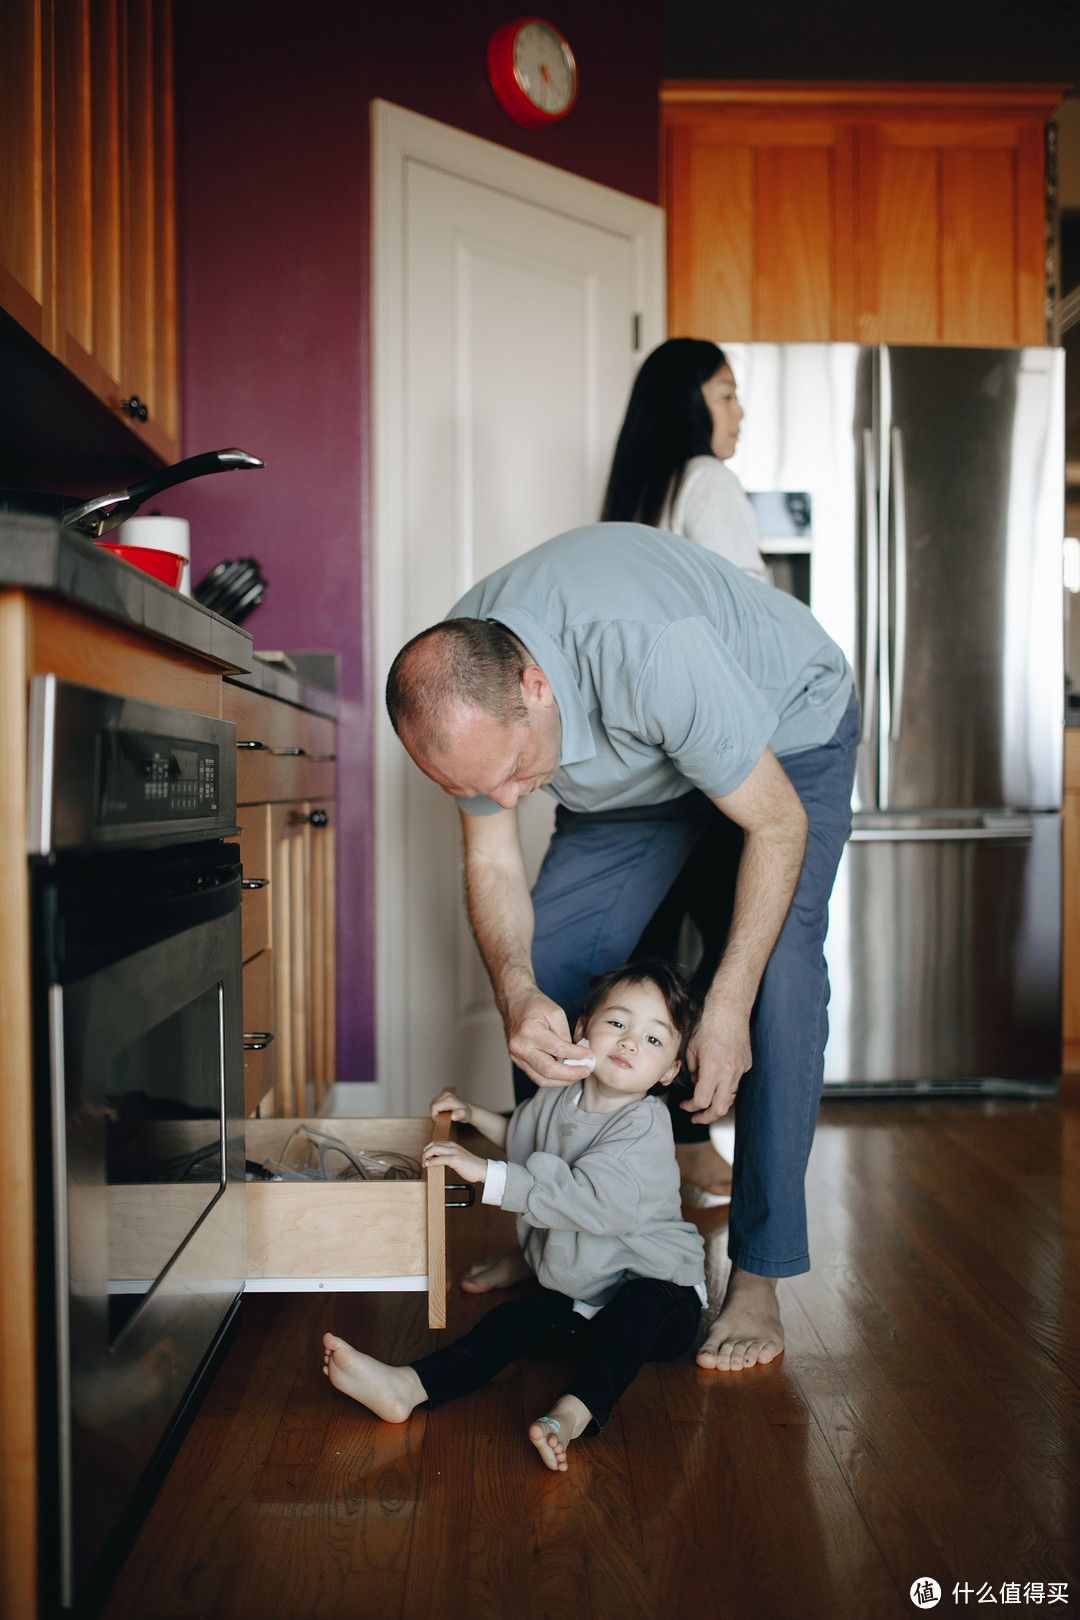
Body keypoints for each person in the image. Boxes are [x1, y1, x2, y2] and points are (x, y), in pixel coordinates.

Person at [385, 523, 858, 1371]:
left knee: (780, 978)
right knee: (558, 964)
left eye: (512, 771)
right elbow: (493, 864)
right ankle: (555, 1243)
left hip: (787, 731)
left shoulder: (647, 652)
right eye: (474, 789)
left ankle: (759, 1271)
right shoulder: (462, 689)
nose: (502, 798)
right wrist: (519, 990)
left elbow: (778, 824)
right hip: (640, 777)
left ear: (535, 687)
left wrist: (727, 1004)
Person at [322, 961, 706, 1471]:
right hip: (589, 1290)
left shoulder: (645, 1129)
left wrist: (486, 1172)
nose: (630, 1042)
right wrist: (474, 1115)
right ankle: (407, 1387)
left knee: (632, 1319)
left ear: (670, 1072)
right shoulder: (558, 1098)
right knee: (509, 1322)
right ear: (579, 1030)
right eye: (617, 1023)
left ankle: (570, 1415)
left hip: (661, 1291)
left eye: (654, 1040)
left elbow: (584, 1198)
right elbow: (526, 1138)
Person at [601, 337, 768, 1196]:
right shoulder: (708, 481)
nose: (739, 412)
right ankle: (706, 1144)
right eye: (728, 394)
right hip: (707, 769)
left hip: (637, 778)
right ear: (690, 404)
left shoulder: (633, 502)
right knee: (742, 964)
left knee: (642, 969)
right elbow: (747, 621)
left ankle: (642, 1157)